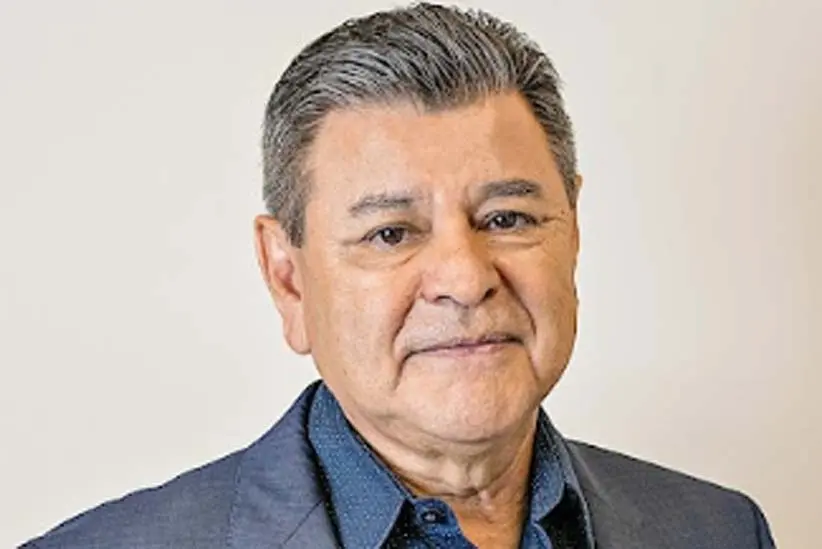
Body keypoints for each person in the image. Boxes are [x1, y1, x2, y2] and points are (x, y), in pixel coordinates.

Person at [21, 3, 775, 548]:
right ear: (288, 279)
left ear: (572, 233)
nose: (464, 279)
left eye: (507, 218)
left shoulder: (720, 530)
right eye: (391, 233)